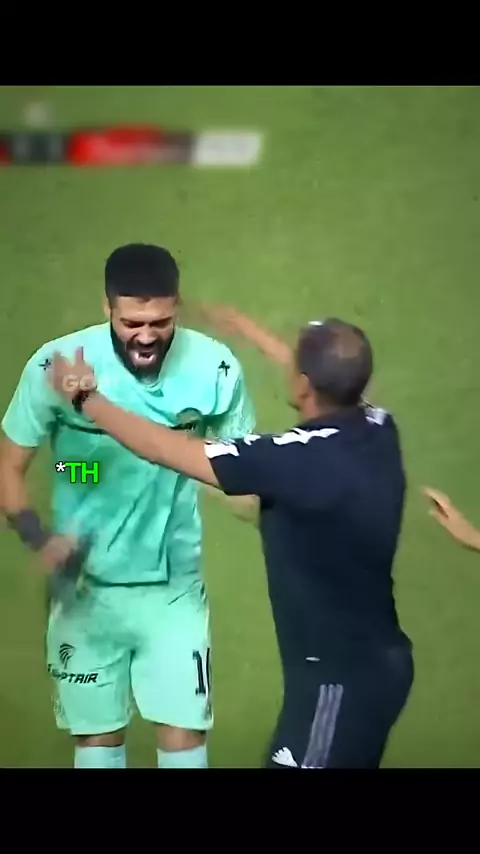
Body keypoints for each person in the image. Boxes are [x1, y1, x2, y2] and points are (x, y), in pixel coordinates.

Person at [48, 311, 414, 769]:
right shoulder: (379, 427)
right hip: (382, 662)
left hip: (335, 687)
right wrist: (249, 331)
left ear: (304, 385)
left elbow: (162, 448)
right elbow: (332, 383)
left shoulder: (290, 461)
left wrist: (85, 397)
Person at [0, 245, 255, 769]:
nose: (145, 335)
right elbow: (9, 465)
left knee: (185, 741)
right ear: (107, 307)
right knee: (97, 744)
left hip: (174, 591)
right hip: (84, 593)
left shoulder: (213, 368)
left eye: (160, 322)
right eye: (131, 322)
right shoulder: (55, 365)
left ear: (176, 307)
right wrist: (38, 536)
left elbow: (245, 477)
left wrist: (260, 501)